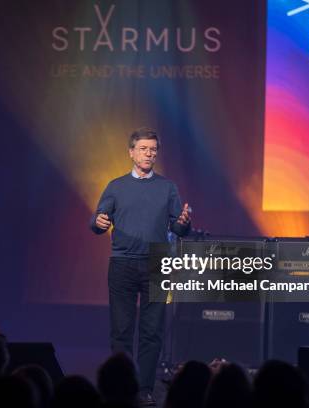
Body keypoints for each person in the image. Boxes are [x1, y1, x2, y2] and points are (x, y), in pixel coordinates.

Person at [91, 127, 191, 407]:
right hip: (122, 263)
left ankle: (145, 389)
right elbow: (98, 220)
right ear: (131, 152)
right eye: (144, 149)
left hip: (157, 264)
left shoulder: (167, 187)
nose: (149, 154)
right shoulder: (116, 186)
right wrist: (98, 223)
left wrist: (183, 222)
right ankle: (119, 391)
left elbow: (179, 227)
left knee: (152, 331)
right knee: (121, 331)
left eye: (153, 150)